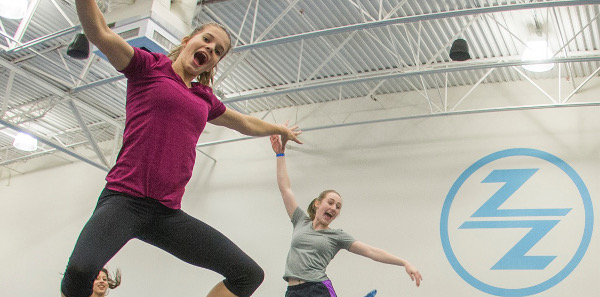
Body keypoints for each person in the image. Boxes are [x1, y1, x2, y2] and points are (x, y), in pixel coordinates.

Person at [61, 1, 303, 297]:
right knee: (80, 272)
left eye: (218, 51)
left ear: (214, 63)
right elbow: (98, 32)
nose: (211, 50)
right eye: (207, 40)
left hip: (166, 213)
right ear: (188, 41)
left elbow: (245, 123)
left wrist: (280, 129)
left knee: (247, 274)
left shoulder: (205, 99)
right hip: (125, 199)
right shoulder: (148, 67)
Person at [270, 131, 422, 297]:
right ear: (317, 203)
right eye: (330, 202)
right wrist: (280, 153)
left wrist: (404, 263)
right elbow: (285, 189)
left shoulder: (337, 236)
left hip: (317, 289)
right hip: (292, 291)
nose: (334, 208)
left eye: (338, 207)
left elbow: (371, 252)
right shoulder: (300, 221)